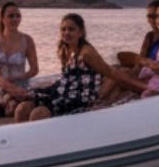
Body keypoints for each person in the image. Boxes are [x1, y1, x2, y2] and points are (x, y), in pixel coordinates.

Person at [15, 14, 149, 121]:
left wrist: (142, 88)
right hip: (63, 91)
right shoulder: (65, 49)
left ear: (81, 32)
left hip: (79, 96)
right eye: (63, 29)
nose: (66, 33)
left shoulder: (87, 53)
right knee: (23, 108)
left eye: (71, 29)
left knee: (38, 114)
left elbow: (112, 72)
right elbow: (67, 78)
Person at [0, 1, 39, 116]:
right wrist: (5, 84)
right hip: (0, 84)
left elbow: (34, 69)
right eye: (11, 16)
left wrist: (19, 78)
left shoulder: (27, 40)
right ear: (2, 18)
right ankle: (2, 104)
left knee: (14, 107)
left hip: (20, 84)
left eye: (18, 16)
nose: (15, 19)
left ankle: (5, 106)